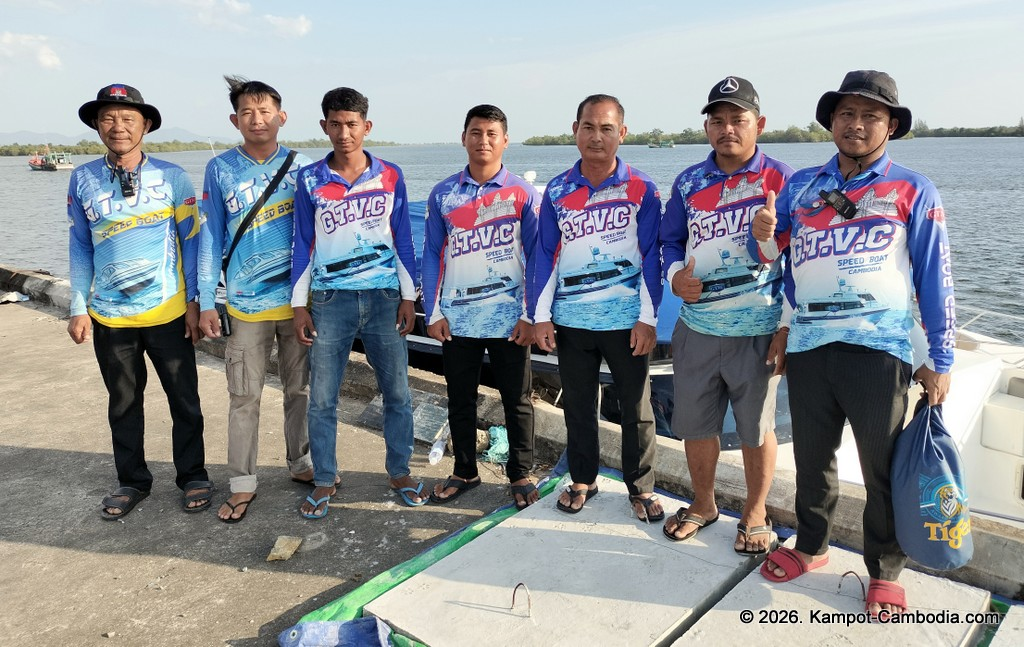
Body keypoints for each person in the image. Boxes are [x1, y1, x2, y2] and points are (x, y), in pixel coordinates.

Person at [749, 70, 956, 617]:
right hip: (811, 346)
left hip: (880, 350)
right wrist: (765, 236)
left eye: (870, 116)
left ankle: (884, 569)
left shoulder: (914, 190)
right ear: (832, 122)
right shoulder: (799, 187)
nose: (856, 125)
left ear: (891, 126)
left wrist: (940, 357)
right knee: (814, 459)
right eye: (846, 114)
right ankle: (812, 545)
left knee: (880, 466)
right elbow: (776, 264)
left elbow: (936, 280)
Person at [659, 77, 793, 553]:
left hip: (758, 330)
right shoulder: (688, 182)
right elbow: (670, 240)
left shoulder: (783, 180)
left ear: (759, 124)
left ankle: (755, 512)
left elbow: (800, 259)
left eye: (738, 119)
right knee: (695, 424)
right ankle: (703, 503)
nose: (727, 129)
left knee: (757, 427)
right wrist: (676, 276)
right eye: (717, 120)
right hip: (696, 325)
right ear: (707, 127)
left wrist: (784, 327)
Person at [68, 84, 213, 520]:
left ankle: (193, 475)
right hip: (110, 316)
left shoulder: (174, 177)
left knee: (184, 398)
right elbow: (79, 244)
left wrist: (193, 302)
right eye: (109, 118)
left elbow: (191, 241)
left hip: (168, 310)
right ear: (97, 125)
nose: (118, 126)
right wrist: (78, 306)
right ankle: (132, 480)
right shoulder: (83, 178)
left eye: (128, 119)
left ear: (145, 125)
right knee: (124, 401)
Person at [290, 87, 425, 518]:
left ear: (366, 127)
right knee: (323, 398)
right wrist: (299, 305)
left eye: (352, 124)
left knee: (398, 393)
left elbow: (402, 238)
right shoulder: (309, 179)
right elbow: (303, 245)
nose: (344, 132)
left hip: (386, 298)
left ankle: (400, 471)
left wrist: (409, 297)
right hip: (330, 300)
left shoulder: (390, 175)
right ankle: (326, 478)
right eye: (335, 123)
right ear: (324, 126)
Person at [533, 94, 663, 521]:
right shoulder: (557, 190)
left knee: (636, 407)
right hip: (571, 321)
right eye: (588, 127)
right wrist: (542, 316)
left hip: (626, 322)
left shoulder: (642, 189)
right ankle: (582, 478)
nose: (596, 136)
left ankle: (640, 487)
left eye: (607, 128)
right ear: (575, 130)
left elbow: (651, 257)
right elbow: (546, 255)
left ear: (621, 134)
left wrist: (648, 318)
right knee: (579, 405)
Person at [197, 76, 317, 523]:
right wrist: (207, 299)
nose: (257, 118)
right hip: (245, 305)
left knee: (299, 391)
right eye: (247, 111)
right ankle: (242, 482)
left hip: (297, 303)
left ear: (281, 117)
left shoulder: (305, 167)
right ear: (235, 119)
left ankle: (301, 463)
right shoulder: (221, 169)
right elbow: (209, 236)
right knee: (243, 395)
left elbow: (318, 236)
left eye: (265, 111)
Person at [421, 104, 540, 510]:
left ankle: (520, 472)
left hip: (511, 320)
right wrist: (433, 311)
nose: (483, 140)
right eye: (475, 132)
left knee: (517, 399)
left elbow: (538, 257)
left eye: (491, 133)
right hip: (458, 319)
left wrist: (530, 314)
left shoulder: (524, 195)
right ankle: (465, 470)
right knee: (460, 398)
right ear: (464, 138)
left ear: (505, 140)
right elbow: (432, 254)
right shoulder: (443, 194)